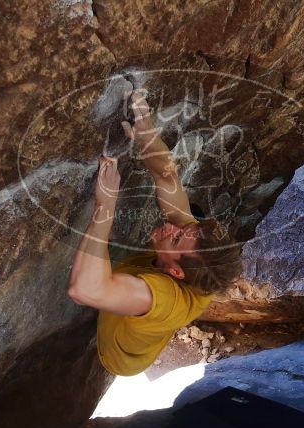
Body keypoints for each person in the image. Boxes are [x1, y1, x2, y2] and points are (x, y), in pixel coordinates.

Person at [68, 90, 242, 376]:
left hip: (118, 355)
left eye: (175, 238)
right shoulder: (197, 251)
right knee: (190, 210)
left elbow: (82, 290)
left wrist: (105, 205)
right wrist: (147, 133)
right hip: (143, 290)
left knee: (94, 289)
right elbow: (167, 176)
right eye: (185, 229)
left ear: (175, 272)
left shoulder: (162, 299)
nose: (173, 227)